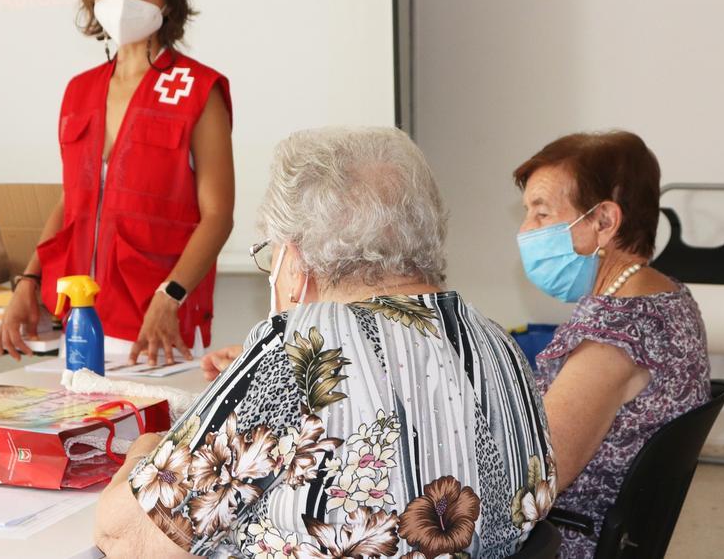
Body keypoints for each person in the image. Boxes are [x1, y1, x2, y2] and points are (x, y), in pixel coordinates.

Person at [93, 126, 556, 558]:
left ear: (295, 260)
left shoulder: (298, 351)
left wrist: (146, 450)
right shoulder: (501, 346)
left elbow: (128, 536)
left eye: (269, 255)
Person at [0, 0, 234, 365]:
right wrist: (28, 281)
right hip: (82, 322)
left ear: (168, 0)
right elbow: (73, 200)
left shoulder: (199, 89)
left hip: (158, 328)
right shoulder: (80, 90)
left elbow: (218, 216)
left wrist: (171, 296)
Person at [512, 131, 711, 558]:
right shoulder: (668, 294)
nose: (526, 231)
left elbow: (534, 481)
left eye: (541, 214)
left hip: (565, 542)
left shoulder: (613, 338)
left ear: (604, 221)